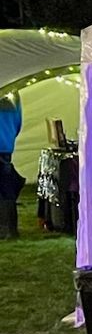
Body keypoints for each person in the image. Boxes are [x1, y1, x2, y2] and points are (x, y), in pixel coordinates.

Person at [0, 92, 22, 239]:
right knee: (7, 189)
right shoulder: (14, 93)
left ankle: (5, 230)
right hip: (6, 148)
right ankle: (10, 229)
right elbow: (18, 123)